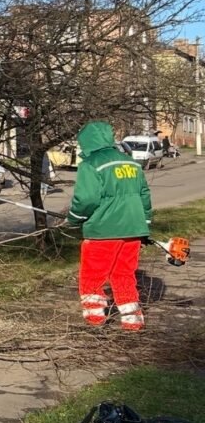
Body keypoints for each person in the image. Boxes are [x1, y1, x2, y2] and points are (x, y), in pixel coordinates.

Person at [67, 120, 153, 331]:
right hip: (133, 230)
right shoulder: (130, 162)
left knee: (92, 275)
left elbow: (86, 199)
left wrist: (73, 218)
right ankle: (133, 321)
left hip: (103, 230)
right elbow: (144, 196)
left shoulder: (91, 164)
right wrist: (146, 223)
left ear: (86, 142)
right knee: (124, 273)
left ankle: (94, 320)